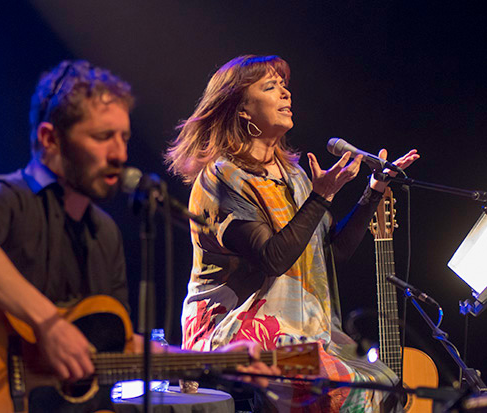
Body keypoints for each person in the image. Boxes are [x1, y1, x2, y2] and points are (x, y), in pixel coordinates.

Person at [0, 59, 277, 412]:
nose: (120, 154)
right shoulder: (13, 197)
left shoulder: (103, 232)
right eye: (102, 137)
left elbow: (120, 347)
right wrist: (48, 323)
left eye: (123, 137)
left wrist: (217, 361)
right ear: (50, 139)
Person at [165, 55, 420, 412]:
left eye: (284, 85)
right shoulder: (222, 178)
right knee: (344, 390)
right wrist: (320, 197)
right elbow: (274, 258)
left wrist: (373, 191)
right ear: (242, 110)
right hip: (236, 332)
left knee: (392, 385)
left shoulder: (296, 176)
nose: (285, 93)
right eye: (271, 87)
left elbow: (334, 253)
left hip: (306, 331)